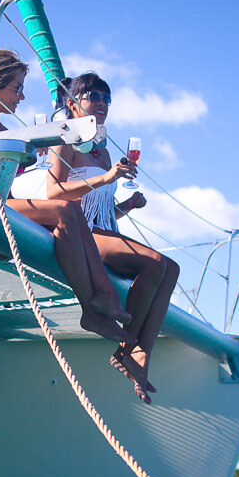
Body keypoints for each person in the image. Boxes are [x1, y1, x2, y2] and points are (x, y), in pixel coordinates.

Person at [0, 50, 133, 345]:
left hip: (6, 204)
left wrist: (36, 155)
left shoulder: (1, 127)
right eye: (17, 88)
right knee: (63, 208)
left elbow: (12, 176)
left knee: (68, 213)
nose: (21, 97)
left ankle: (95, 305)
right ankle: (100, 297)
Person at [45, 72, 179, 404]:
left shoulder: (102, 150)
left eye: (106, 97)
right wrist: (107, 177)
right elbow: (53, 193)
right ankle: (131, 349)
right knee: (156, 264)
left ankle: (137, 352)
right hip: (80, 234)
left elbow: (101, 208)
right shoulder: (62, 140)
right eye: (93, 96)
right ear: (72, 102)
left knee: (170, 268)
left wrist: (127, 206)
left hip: (103, 230)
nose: (101, 103)